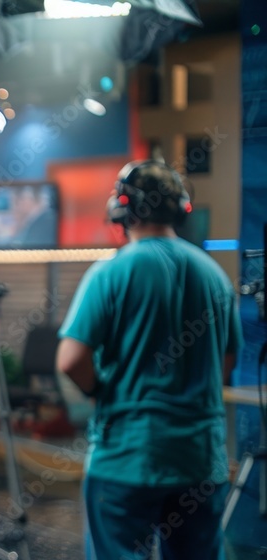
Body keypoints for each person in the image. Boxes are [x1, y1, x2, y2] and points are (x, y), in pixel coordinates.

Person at [56, 160, 242, 560]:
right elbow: (226, 364)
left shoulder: (111, 273)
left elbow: (71, 360)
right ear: (179, 209)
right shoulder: (215, 277)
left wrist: (101, 390)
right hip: (200, 462)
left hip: (127, 460)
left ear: (123, 209)